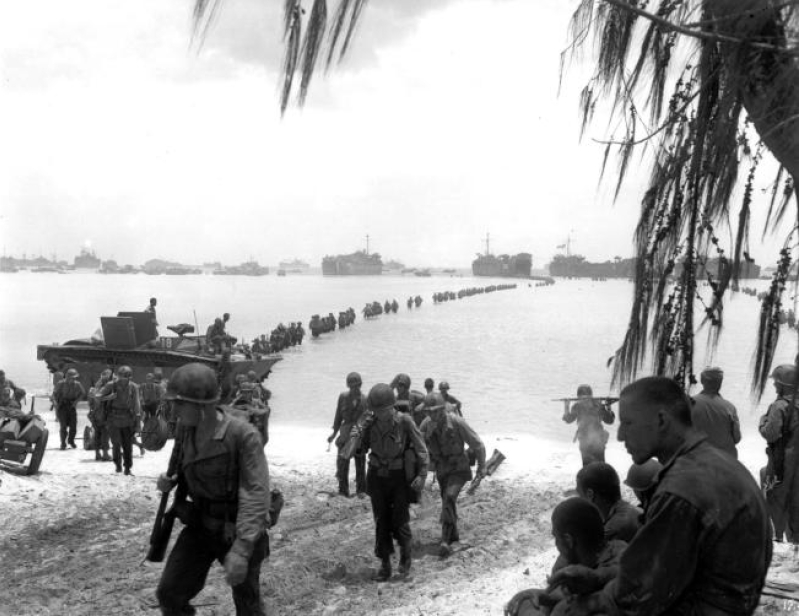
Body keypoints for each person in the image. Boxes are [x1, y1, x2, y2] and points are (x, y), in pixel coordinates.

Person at [564, 376, 772, 616]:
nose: (620, 436)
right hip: (732, 599)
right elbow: (653, 564)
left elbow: (638, 591)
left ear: (661, 420)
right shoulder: (718, 461)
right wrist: (600, 576)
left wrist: (587, 605)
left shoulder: (680, 489)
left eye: (628, 423)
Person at [155, 363, 270, 616]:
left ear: (201, 406)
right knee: (169, 594)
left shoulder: (243, 436)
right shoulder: (186, 429)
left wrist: (241, 550)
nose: (173, 410)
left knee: (247, 605)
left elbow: (255, 493)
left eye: (179, 403)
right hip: (200, 525)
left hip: (237, 530)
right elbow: (180, 465)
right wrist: (170, 479)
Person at [505, 498, 626, 616]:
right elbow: (564, 592)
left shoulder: (575, 606)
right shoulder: (622, 549)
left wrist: (525, 609)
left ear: (569, 541)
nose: (556, 544)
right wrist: (540, 595)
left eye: (556, 537)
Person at [357, 383, 428, 581]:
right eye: (375, 410)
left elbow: (422, 449)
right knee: (381, 521)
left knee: (400, 520)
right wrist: (358, 431)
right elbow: (357, 447)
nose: (380, 414)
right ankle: (385, 563)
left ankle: (405, 557)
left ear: (392, 407)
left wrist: (422, 475)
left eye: (383, 410)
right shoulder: (369, 422)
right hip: (376, 476)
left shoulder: (405, 421)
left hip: (399, 478)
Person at [419, 392, 486, 557]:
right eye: (429, 412)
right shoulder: (426, 425)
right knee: (446, 501)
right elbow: (417, 446)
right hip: (442, 469)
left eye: (435, 411)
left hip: (459, 468)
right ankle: (453, 534)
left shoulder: (456, 422)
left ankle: (445, 540)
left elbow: (478, 444)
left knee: (449, 497)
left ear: (442, 409)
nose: (432, 415)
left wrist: (481, 467)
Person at [759, 364, 799, 544]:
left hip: (783, 460)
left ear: (783, 385)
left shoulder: (779, 406)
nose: (774, 385)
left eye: (776, 382)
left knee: (773, 492)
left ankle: (777, 537)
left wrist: (762, 421)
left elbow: (771, 433)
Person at [575, 462, 640, 542]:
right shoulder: (631, 510)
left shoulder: (612, 530)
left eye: (579, 493)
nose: (579, 498)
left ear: (590, 494)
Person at [327, 372, 368, 497]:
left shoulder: (365, 399)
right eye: (351, 386)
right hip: (345, 433)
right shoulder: (343, 397)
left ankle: (361, 490)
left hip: (358, 433)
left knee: (360, 463)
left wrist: (366, 439)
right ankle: (343, 490)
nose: (354, 388)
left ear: (360, 385)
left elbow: (368, 420)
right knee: (342, 463)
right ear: (348, 386)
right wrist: (333, 435)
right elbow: (338, 417)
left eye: (356, 386)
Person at [97, 365, 141, 475]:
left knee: (128, 445)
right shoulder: (111, 385)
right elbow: (97, 396)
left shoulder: (133, 387)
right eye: (122, 376)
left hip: (128, 419)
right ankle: (117, 466)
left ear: (129, 377)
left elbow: (136, 404)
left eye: (126, 377)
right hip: (113, 418)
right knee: (116, 443)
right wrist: (109, 397)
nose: (123, 379)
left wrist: (138, 421)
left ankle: (127, 468)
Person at [690, 366, 741, 458]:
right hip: (726, 462)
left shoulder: (689, 403)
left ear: (702, 381)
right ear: (720, 383)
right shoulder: (730, 407)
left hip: (697, 460)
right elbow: (736, 438)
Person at [562, 385, 615, 466]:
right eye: (583, 397)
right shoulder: (580, 406)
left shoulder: (596, 405)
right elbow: (569, 419)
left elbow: (609, 420)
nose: (585, 400)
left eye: (586, 396)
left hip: (596, 441)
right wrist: (566, 406)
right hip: (588, 441)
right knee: (593, 465)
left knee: (596, 465)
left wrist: (608, 406)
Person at [53, 368, 85, 449]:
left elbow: (82, 393)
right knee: (63, 426)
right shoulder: (61, 384)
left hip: (72, 406)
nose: (74, 379)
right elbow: (53, 395)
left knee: (73, 426)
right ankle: (63, 443)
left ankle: (71, 441)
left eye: (75, 378)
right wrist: (56, 404)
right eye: (72, 377)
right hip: (62, 407)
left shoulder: (77, 384)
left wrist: (76, 402)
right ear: (67, 377)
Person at [89, 369, 113, 461]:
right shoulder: (105, 388)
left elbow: (91, 402)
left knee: (97, 435)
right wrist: (109, 397)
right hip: (104, 415)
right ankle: (105, 454)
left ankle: (97, 454)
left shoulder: (94, 388)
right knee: (105, 435)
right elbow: (98, 398)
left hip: (95, 414)